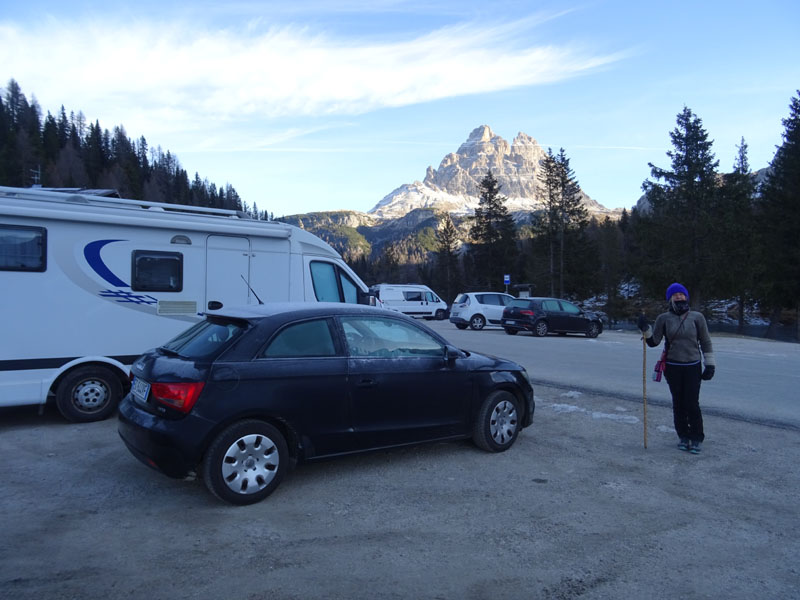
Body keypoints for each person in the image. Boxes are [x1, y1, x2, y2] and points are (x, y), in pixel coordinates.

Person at [638, 283, 715, 454]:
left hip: (692, 366)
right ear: (670, 298)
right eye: (675, 295)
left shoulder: (697, 317)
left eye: (681, 294)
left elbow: (706, 341)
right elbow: (653, 342)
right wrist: (645, 329)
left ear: (686, 297)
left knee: (692, 403)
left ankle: (696, 437)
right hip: (672, 367)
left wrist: (710, 364)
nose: (679, 296)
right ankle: (683, 436)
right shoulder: (663, 319)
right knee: (678, 403)